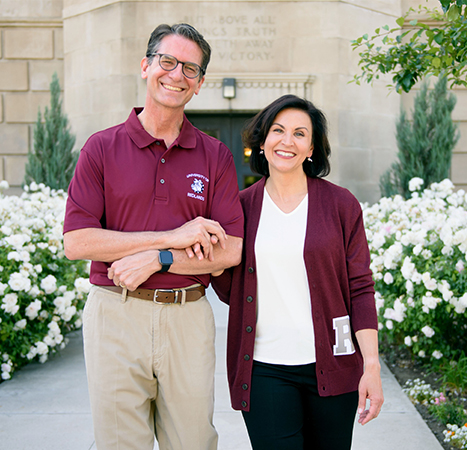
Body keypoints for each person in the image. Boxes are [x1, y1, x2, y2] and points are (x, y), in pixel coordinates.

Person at [63, 23, 244, 450]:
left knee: (194, 442)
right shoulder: (101, 148)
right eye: (167, 61)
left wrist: (159, 258)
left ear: (199, 85)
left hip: (187, 315)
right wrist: (174, 236)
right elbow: (78, 242)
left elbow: (231, 250)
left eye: (191, 69)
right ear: (146, 66)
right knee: (121, 443)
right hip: (115, 313)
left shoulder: (214, 154)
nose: (176, 74)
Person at [211, 94, 383, 450]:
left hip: (333, 367)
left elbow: (360, 288)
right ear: (261, 142)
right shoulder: (240, 209)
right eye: (278, 130)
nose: (287, 141)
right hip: (264, 369)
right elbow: (227, 286)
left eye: (300, 133)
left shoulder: (340, 205)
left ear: (312, 149)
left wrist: (371, 366)